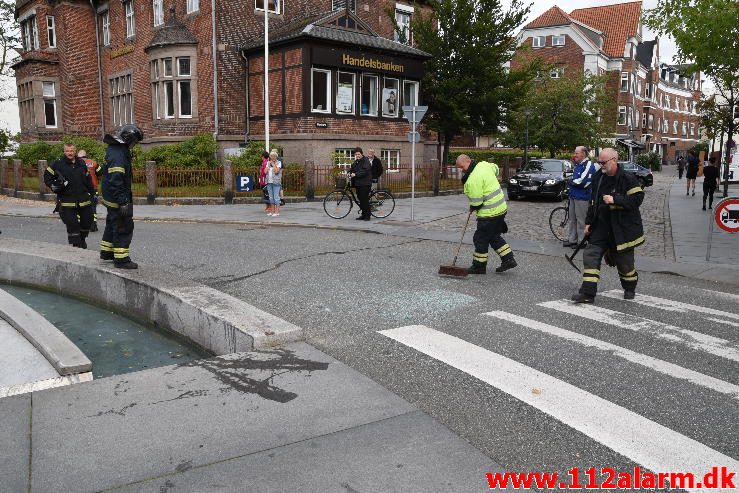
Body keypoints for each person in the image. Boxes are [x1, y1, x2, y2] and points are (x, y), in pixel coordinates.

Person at [571, 148, 644, 304]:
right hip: (602, 226)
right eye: (599, 162)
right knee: (590, 254)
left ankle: (630, 287)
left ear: (614, 160)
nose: (601, 165)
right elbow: (593, 202)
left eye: (603, 162)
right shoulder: (598, 177)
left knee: (625, 264)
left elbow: (637, 200)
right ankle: (588, 293)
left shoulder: (628, 178)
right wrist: (589, 223)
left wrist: (615, 199)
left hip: (622, 229)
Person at [455, 154, 516, 274]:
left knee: (480, 238)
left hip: (489, 214)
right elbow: (496, 168)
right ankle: (508, 259)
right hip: (501, 209)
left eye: (462, 167)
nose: (462, 170)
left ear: (468, 161)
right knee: (493, 236)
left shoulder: (472, 179)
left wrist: (473, 206)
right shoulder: (484, 165)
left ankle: (479, 266)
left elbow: (477, 202)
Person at [100, 124, 144, 269]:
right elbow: (116, 179)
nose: (134, 145)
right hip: (117, 198)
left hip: (110, 197)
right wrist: (123, 201)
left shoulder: (115, 149)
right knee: (123, 226)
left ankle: (107, 252)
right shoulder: (118, 153)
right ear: (128, 139)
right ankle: (121, 259)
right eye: (134, 142)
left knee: (112, 223)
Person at [44, 143, 95, 249]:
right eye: (67, 151)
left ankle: (82, 238)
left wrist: (92, 192)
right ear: (64, 152)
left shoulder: (81, 163)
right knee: (72, 224)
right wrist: (55, 186)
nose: (69, 153)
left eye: (71, 151)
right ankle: (77, 245)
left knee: (87, 221)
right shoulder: (58, 163)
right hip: (67, 200)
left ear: (75, 151)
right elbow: (47, 176)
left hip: (83, 198)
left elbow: (88, 178)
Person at [565, 146, 596, 248]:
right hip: (573, 195)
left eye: (577, 153)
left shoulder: (589, 165)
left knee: (581, 220)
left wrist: (571, 182)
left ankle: (581, 242)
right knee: (572, 219)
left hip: (582, 197)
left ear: (583, 154)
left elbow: (583, 181)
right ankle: (572, 240)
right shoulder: (578, 165)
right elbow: (574, 178)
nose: (575, 155)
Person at [77, 149, 101, 232]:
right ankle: (93, 225)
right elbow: (100, 172)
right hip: (93, 189)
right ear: (86, 156)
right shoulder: (94, 163)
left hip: (81, 189)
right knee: (92, 207)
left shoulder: (75, 163)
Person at [350, 147, 373, 220]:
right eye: (356, 154)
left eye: (359, 154)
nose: (357, 155)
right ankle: (363, 214)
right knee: (361, 199)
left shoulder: (365, 160)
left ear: (362, 154)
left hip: (365, 183)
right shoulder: (356, 162)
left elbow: (365, 171)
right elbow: (351, 169)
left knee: (364, 199)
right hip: (358, 184)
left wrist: (355, 174)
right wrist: (349, 173)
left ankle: (367, 215)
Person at [265, 150, 282, 216]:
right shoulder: (268, 163)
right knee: (271, 198)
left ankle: (277, 212)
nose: (273, 157)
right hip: (269, 182)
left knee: (276, 197)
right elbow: (265, 172)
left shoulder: (279, 163)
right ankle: (272, 211)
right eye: (271, 156)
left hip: (276, 182)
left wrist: (273, 164)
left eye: (274, 156)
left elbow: (276, 171)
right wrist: (268, 167)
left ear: (276, 157)